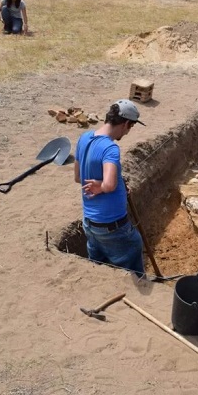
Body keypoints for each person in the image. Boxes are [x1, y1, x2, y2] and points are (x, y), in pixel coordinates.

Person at [73, 99, 146, 276]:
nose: (128, 132)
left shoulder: (84, 139)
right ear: (126, 123)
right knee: (133, 256)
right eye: (131, 127)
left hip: (90, 224)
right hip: (112, 227)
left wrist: (110, 185)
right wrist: (103, 186)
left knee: (100, 268)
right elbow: (109, 183)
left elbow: (77, 177)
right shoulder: (110, 148)